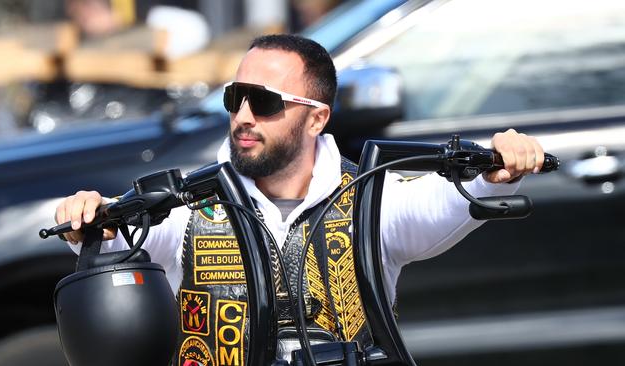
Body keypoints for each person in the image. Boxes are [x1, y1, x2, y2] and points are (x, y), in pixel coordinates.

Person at [54, 34, 545, 365]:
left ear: (317, 118)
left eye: (265, 101)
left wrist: (499, 171)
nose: (244, 116)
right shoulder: (185, 205)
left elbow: (441, 204)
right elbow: (114, 234)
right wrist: (86, 219)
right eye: (235, 97)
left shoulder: (370, 198)